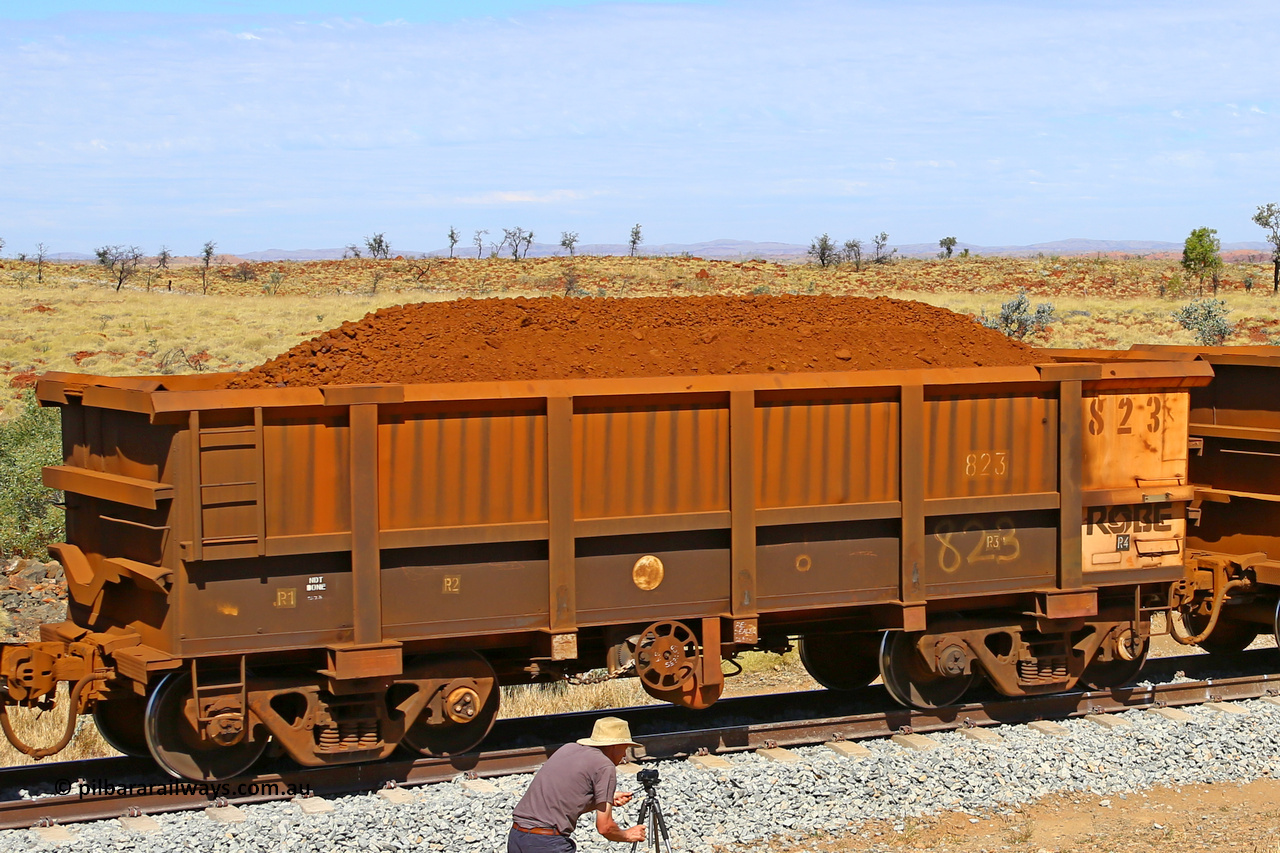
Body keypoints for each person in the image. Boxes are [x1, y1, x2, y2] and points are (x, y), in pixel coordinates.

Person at [509, 716, 647, 851]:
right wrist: (628, 835)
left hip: (517, 837)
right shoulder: (605, 766)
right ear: (615, 746)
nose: (624, 755)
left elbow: (562, 799)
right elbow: (605, 827)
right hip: (547, 842)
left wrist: (603, 800)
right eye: (625, 748)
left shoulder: (568, 748)